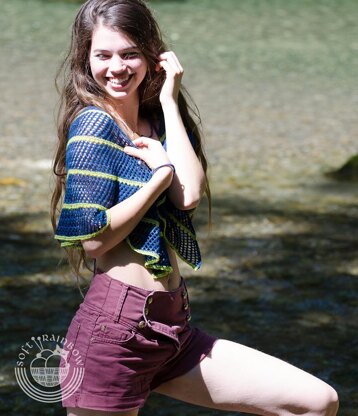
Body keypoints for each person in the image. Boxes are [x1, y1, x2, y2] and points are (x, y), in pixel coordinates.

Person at [51, 1, 339, 415]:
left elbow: (188, 196)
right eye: (104, 55)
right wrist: (157, 180)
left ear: (152, 57)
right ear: (86, 59)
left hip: (172, 329)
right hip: (114, 333)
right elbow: (94, 239)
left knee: (315, 402)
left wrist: (168, 99)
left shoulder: (154, 122)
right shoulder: (94, 125)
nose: (117, 67)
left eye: (130, 53)